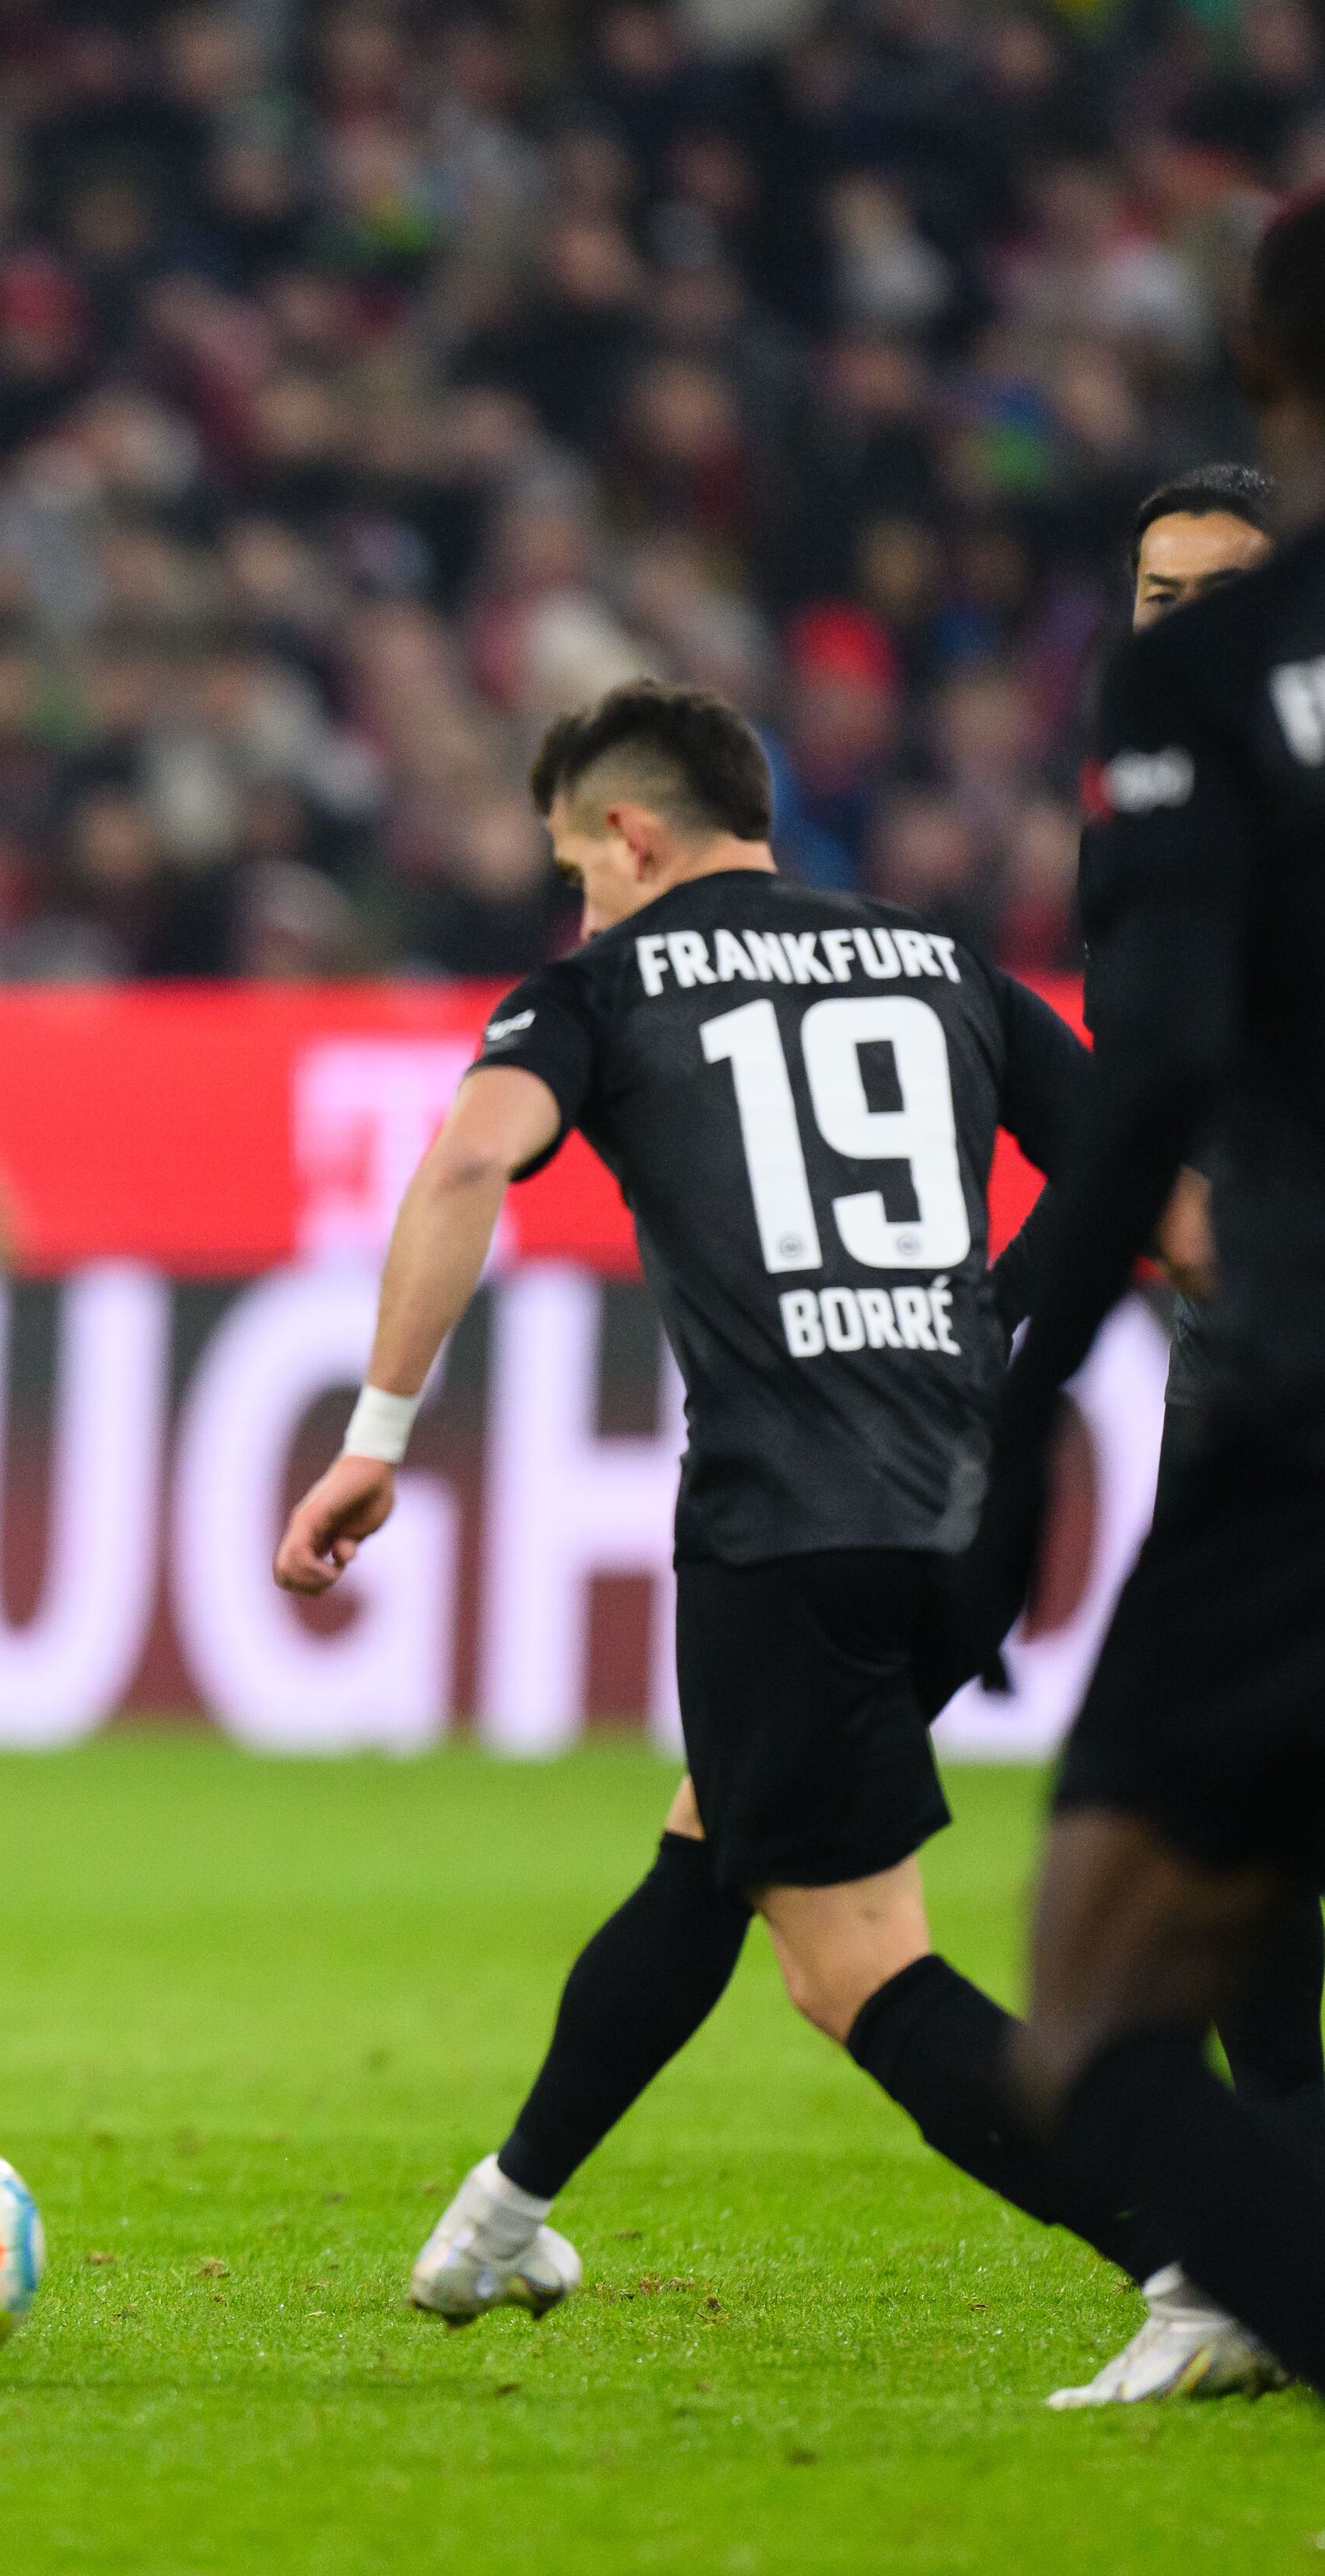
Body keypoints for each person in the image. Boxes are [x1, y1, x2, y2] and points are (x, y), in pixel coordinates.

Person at [270, 679, 1240, 2395]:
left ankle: (1207, 2256)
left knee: (852, 1965)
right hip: (975, 1516)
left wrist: (374, 1437)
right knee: (713, 1836)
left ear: (632, 833)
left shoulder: (599, 985)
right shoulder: (948, 965)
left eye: (578, 865)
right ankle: (504, 2209)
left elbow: (463, 1166)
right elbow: (1173, 1214)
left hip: (788, 1522)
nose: (578, 901)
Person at [982, 190, 1325, 2394]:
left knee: (1096, 2002)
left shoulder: (1210, 684)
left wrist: (1022, 1401)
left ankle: (1241, 2276)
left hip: (1297, 1391)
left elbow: (1163, 1070)